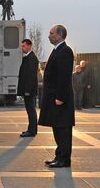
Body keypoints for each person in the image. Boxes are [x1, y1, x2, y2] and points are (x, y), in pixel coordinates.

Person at [39, 25, 75, 168]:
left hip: (60, 99)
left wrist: (60, 97)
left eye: (51, 33)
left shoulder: (65, 51)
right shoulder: (57, 50)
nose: (49, 35)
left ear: (60, 35)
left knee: (63, 129)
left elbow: (64, 77)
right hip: (54, 97)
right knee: (57, 128)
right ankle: (59, 155)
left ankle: (64, 159)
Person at [18, 39, 40, 137]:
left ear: (29, 46)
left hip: (29, 90)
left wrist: (27, 90)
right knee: (30, 110)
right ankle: (31, 129)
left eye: (23, 46)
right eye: (21, 46)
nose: (22, 48)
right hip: (28, 89)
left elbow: (31, 76)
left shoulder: (32, 58)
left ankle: (32, 131)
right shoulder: (28, 57)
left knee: (31, 110)